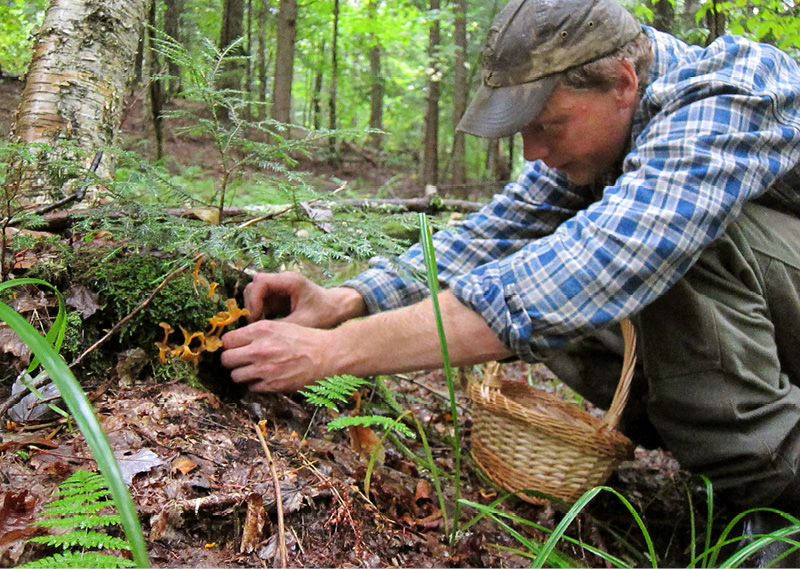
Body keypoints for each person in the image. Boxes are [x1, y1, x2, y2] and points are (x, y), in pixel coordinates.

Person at [222, 0, 800, 555]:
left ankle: (778, 497)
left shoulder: (729, 97)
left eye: (548, 125)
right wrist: (348, 299)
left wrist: (333, 352)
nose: (533, 151)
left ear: (623, 80)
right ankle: (722, 458)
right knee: (554, 273)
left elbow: (598, 264)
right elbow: (493, 236)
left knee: (674, 247)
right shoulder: (611, 129)